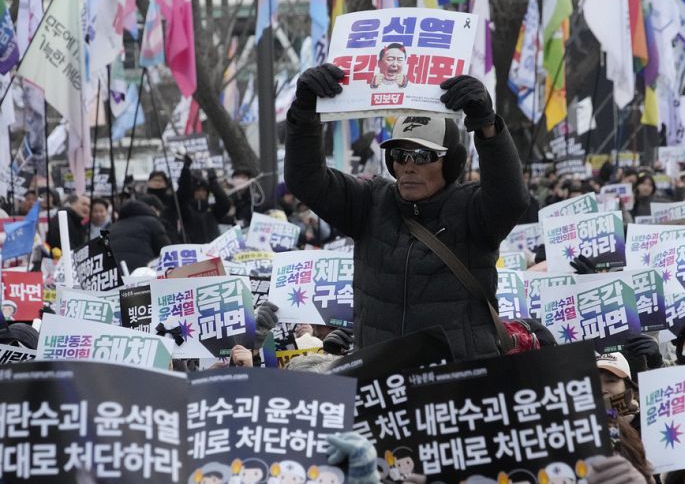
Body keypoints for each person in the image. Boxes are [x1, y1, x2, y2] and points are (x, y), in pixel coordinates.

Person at [285, 64, 528, 360]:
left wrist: (487, 126)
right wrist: (305, 112)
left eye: (423, 156)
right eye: (400, 155)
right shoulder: (369, 202)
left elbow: (510, 198)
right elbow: (306, 178)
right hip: (382, 380)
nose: (409, 166)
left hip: (458, 380)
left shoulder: (473, 210)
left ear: (452, 162)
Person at [177, 158, 232, 244]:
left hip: (213, 250)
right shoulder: (186, 209)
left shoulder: (213, 210)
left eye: (203, 191)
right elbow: (182, 193)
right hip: (191, 250)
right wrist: (186, 170)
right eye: (197, 191)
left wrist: (212, 179)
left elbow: (225, 203)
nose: (200, 193)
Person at [108, 198, 172, 271]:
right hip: (143, 273)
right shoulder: (152, 222)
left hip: (115, 274)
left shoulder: (111, 228)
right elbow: (166, 251)